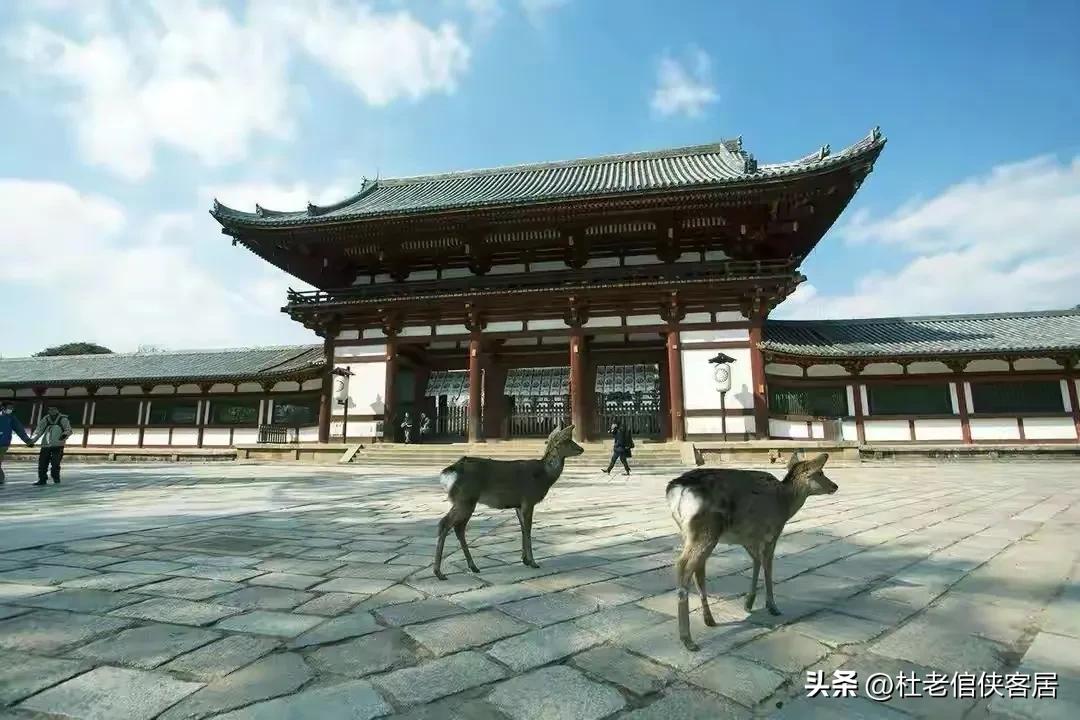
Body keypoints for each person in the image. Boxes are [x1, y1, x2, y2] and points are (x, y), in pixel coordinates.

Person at [31, 405, 72, 486]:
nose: (52, 411)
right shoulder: (46, 419)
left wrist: (64, 435)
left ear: (57, 410)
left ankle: (56, 478)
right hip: (46, 444)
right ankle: (42, 479)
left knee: (55, 463)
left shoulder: (63, 419)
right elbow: (39, 430)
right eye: (50, 409)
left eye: (54, 409)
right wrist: (32, 441)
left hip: (58, 445)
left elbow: (68, 430)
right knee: (42, 463)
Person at [0, 401, 34, 484]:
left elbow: (19, 430)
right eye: (9, 408)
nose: (11, 409)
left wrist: (27, 440)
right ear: (3, 408)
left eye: (12, 408)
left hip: (3, 443)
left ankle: (1, 479)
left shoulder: (11, 418)